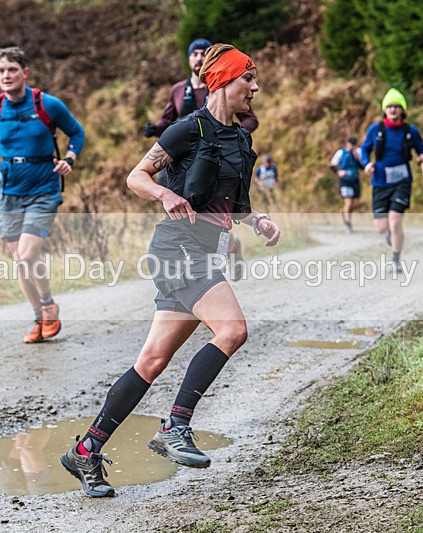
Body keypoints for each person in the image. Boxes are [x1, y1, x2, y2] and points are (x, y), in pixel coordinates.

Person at [61, 44, 280, 498]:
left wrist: (255, 218)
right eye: (248, 79)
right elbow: (136, 177)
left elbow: (233, 202)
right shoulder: (188, 129)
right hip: (178, 248)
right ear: (222, 80)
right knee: (233, 330)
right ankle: (175, 426)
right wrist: (163, 195)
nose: (255, 89)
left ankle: (86, 451)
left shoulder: (240, 139)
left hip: (207, 251)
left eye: (256, 81)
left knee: (152, 362)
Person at [0, 46, 85, 343]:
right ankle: (39, 318)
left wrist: (69, 159)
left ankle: (48, 304)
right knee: (18, 259)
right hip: (10, 193)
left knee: (27, 254)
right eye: (1, 71)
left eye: (12, 70)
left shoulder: (46, 104)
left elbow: (77, 132)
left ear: (25, 72)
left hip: (43, 190)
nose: (6, 76)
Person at [142, 38, 258, 277]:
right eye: (194, 53)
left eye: (203, 53)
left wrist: (234, 139)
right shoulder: (179, 94)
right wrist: (155, 129)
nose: (255, 87)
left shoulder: (234, 101)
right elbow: (169, 123)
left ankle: (230, 245)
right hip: (182, 161)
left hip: (217, 162)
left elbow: (249, 120)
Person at [360, 88, 423, 273]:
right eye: (389, 106)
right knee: (382, 227)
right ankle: (389, 235)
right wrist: (366, 164)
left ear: (402, 110)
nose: (392, 110)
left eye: (396, 106)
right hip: (380, 181)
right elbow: (364, 150)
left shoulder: (410, 131)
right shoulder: (375, 129)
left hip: (402, 181)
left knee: (395, 220)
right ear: (384, 110)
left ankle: (396, 259)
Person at [330, 137, 363, 233]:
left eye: (353, 145)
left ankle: (344, 212)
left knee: (353, 204)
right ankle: (348, 224)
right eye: (350, 145)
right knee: (348, 202)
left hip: (355, 180)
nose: (351, 147)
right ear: (347, 144)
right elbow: (332, 166)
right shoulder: (341, 153)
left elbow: (362, 166)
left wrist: (357, 159)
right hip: (345, 181)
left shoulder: (358, 152)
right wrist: (338, 172)